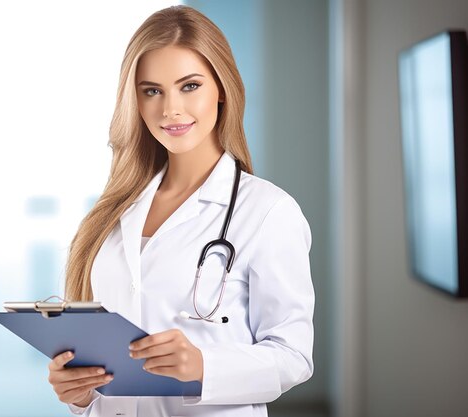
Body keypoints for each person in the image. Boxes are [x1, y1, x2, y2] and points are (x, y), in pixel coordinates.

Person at [47, 5, 314, 417]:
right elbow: (106, 373)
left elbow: (293, 357)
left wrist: (203, 367)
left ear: (221, 88)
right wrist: (80, 394)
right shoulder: (113, 214)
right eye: (152, 90)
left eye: (189, 86)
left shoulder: (267, 212)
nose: (170, 109)